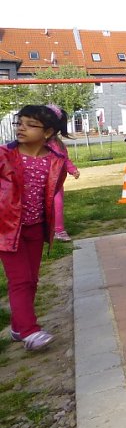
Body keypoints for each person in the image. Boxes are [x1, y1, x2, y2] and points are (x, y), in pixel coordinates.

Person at [0, 105, 69, 351]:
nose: (21, 128)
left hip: (36, 229)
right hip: (7, 230)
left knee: (32, 280)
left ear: (48, 132)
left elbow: (53, 190)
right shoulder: (4, 155)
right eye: (20, 123)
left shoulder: (55, 161)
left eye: (30, 124)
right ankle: (30, 331)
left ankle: (19, 328)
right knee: (20, 280)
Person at [47, 106, 79, 241]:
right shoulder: (38, 143)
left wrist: (72, 170)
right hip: (41, 182)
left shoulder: (59, 144)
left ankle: (59, 230)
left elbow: (65, 159)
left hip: (57, 182)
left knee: (58, 205)